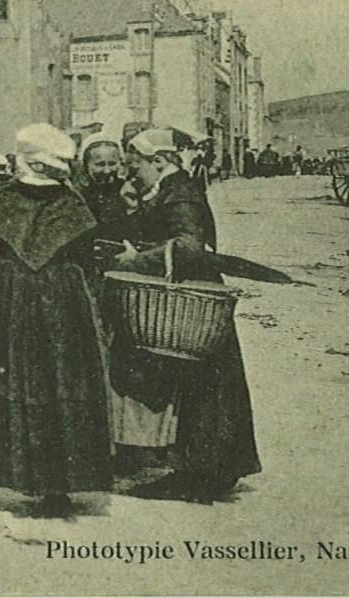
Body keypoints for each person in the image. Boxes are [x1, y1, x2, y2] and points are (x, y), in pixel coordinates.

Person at [0, 124, 111, 517]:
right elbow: (86, 257)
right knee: (58, 379)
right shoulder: (72, 204)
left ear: (22, 159)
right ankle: (56, 488)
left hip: (6, 295)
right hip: (62, 298)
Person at [104, 128, 262, 503]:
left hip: (192, 299)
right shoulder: (172, 189)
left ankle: (202, 474)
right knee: (204, 383)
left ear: (158, 162)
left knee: (203, 384)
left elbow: (190, 246)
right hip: (188, 297)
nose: (130, 175)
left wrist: (136, 260)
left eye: (135, 167)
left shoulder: (180, 194)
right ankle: (209, 469)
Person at [76, 133, 128, 224]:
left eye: (112, 164)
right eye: (100, 164)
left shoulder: (124, 190)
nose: (107, 171)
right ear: (85, 165)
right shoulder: (78, 195)